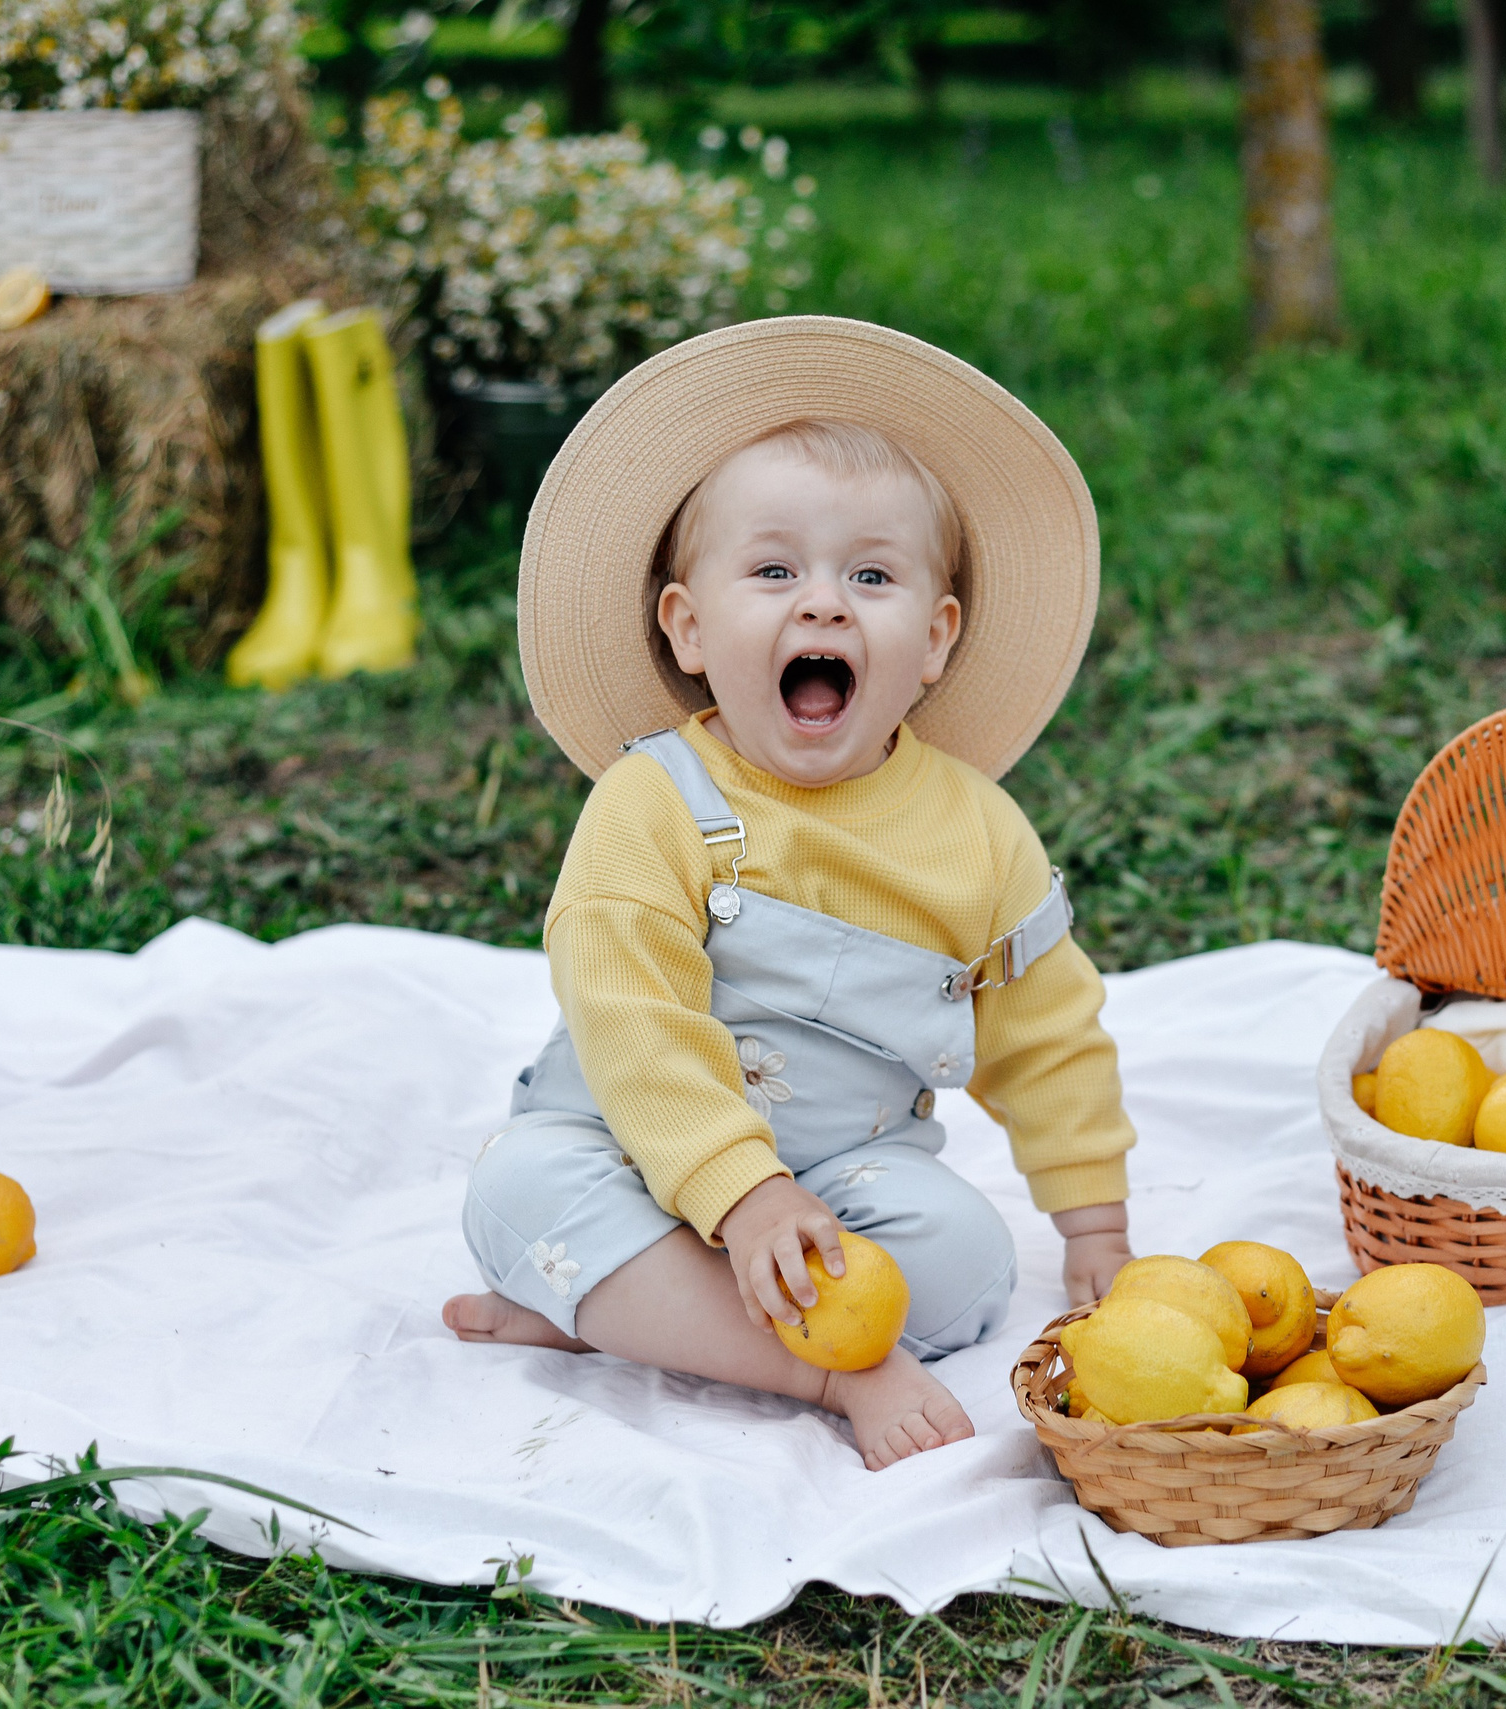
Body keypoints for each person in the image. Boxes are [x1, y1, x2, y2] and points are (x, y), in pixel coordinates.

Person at [443, 317, 1136, 1469]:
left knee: (966, 1263)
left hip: (842, 1175)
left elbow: (1047, 1030)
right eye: (773, 571)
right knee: (520, 1189)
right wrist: (740, 1197)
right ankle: (810, 1360)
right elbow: (634, 1020)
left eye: (871, 575)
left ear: (934, 639)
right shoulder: (650, 799)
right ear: (690, 628)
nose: (822, 604)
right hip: (624, 1146)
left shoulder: (975, 831)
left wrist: (1094, 1223)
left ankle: (619, 1307)